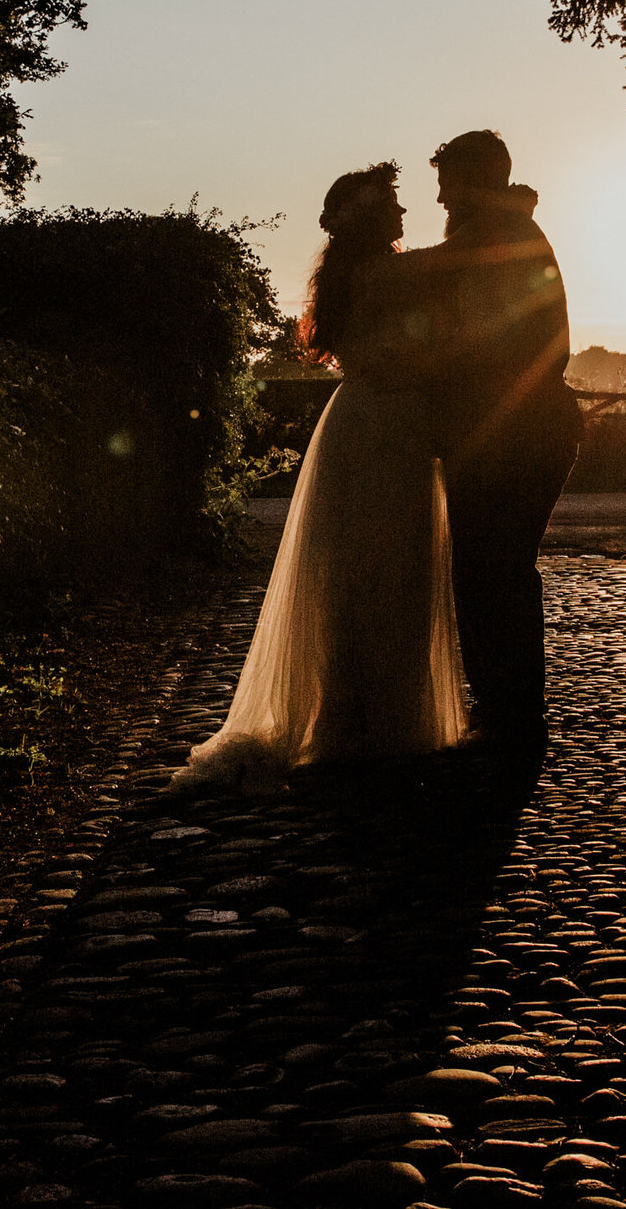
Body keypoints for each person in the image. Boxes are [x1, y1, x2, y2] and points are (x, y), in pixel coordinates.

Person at [173, 163, 467, 789]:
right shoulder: (389, 272)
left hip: (358, 422)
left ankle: (350, 717)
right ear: (368, 218)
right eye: (392, 204)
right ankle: (382, 724)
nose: (404, 213)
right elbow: (453, 265)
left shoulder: (347, 275)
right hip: (387, 428)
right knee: (390, 568)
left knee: (355, 573)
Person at [415, 130, 583, 751]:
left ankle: (510, 715)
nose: (438, 198)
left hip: (511, 431)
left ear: (470, 183)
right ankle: (509, 709)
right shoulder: (502, 233)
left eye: (445, 184)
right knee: (496, 570)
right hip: (520, 426)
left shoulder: (494, 240)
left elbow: (507, 340)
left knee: (493, 571)